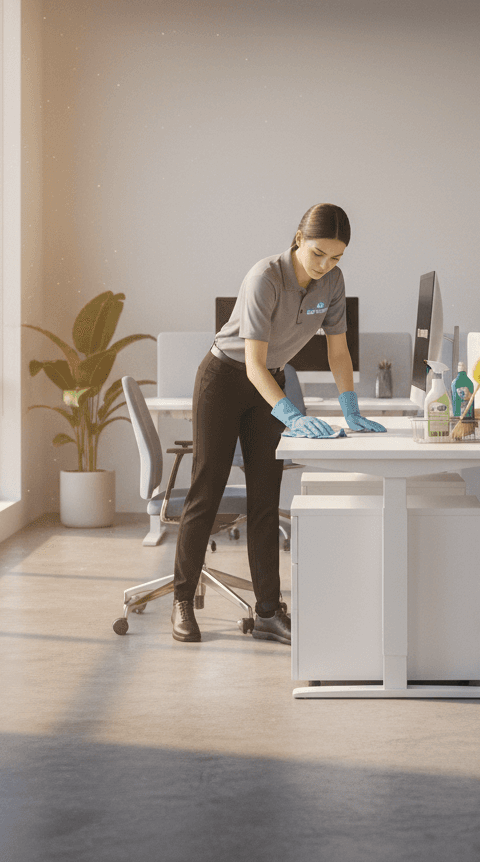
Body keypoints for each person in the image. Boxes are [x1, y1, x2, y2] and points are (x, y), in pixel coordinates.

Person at [170, 203, 386, 644]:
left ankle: (268, 611)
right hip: (225, 379)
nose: (326, 265)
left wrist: (350, 406)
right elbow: (252, 363)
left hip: (272, 378)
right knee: (207, 489)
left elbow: (338, 350)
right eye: (318, 254)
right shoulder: (264, 277)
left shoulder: (333, 283)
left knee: (265, 497)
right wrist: (290, 413)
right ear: (298, 239)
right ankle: (182, 600)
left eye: (337, 258)